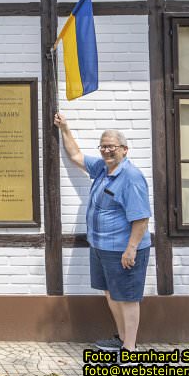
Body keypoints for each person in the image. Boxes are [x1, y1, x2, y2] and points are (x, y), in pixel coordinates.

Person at [54, 113, 151, 354]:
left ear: (124, 150)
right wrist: (65, 128)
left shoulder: (130, 177)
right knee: (111, 294)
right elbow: (76, 156)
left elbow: (141, 218)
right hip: (101, 247)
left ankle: (130, 349)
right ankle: (121, 339)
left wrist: (131, 249)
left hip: (122, 249)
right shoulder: (102, 168)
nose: (107, 151)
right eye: (104, 146)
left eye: (112, 147)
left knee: (127, 297)